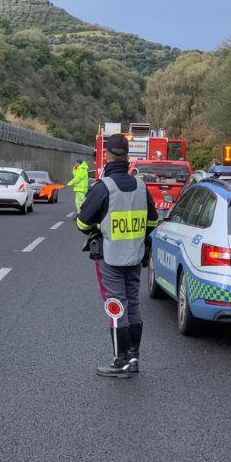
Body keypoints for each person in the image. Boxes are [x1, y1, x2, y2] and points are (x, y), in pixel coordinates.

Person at [75, 134, 158, 378]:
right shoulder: (141, 186)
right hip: (135, 255)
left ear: (108, 155)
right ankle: (133, 358)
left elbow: (82, 223)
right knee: (133, 303)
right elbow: (153, 221)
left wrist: (101, 229)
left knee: (116, 305)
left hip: (110, 257)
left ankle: (119, 362)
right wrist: (135, 236)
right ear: (128, 155)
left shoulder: (104, 187)